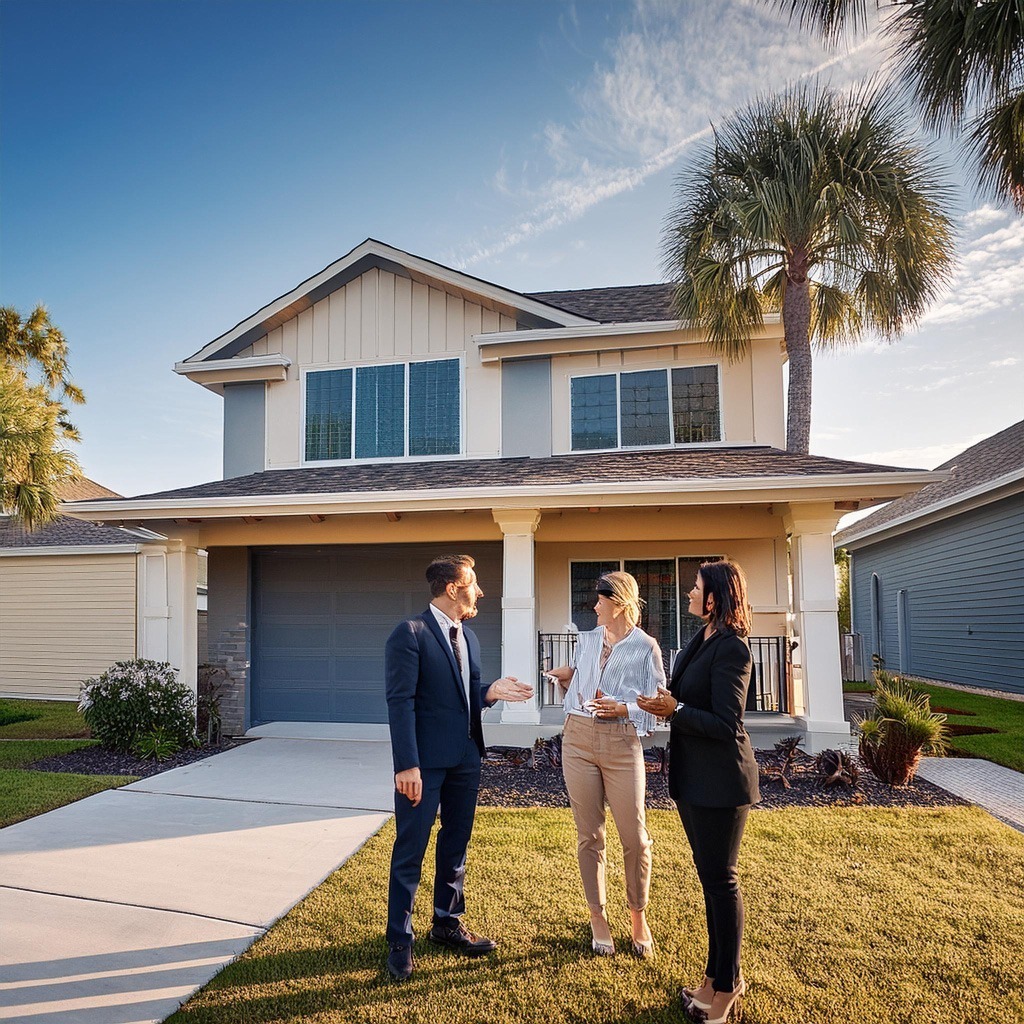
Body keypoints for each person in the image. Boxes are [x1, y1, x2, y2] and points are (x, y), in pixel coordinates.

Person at [384, 553, 534, 981]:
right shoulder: (409, 633)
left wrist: (491, 692)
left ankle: (446, 924)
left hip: (467, 758)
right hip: (423, 766)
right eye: (474, 583)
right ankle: (400, 939)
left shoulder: (470, 638)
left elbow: (464, 695)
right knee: (410, 850)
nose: (480, 591)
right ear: (453, 588)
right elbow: (401, 702)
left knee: (456, 846)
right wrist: (406, 765)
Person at [638, 559, 760, 1024]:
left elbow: (728, 723)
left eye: (695, 587)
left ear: (714, 597)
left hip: (721, 783)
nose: (688, 592)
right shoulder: (701, 638)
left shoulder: (734, 649)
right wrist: (659, 703)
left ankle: (727, 988)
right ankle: (713, 977)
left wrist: (676, 710)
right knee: (710, 881)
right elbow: (679, 696)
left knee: (721, 882)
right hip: (694, 781)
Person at [547, 571, 664, 959]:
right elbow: (581, 680)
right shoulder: (587, 640)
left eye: (600, 601)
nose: (594, 606)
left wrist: (624, 708)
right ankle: (598, 916)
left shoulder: (646, 647)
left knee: (635, 837)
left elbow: (658, 704)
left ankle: (637, 915)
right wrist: (565, 676)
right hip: (577, 736)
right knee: (590, 835)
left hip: (621, 740)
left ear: (619, 603)